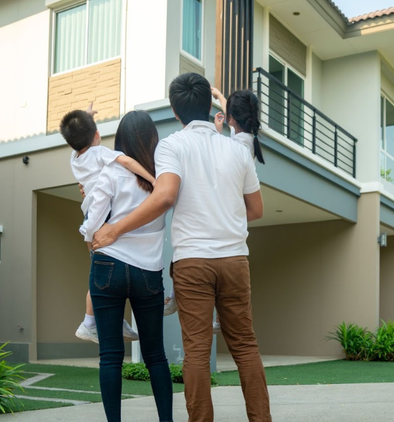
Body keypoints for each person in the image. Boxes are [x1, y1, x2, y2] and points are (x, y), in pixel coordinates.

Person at [92, 72, 271, 422]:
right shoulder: (237, 150)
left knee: (197, 352)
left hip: (193, 265)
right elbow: (256, 210)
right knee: (246, 347)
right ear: (209, 106)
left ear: (175, 111)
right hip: (235, 260)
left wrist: (113, 230)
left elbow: (165, 195)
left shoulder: (172, 146)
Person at [80, 110, 173, 422]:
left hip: (108, 267)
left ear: (120, 141)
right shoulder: (163, 179)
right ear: (152, 141)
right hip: (149, 273)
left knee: (110, 356)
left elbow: (94, 225)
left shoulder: (109, 173)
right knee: (156, 355)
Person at [162, 87, 265, 323]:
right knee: (244, 340)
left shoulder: (236, 145)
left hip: (197, 255)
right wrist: (219, 100)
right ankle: (218, 314)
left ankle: (177, 295)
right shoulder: (243, 141)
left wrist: (218, 98)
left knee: (197, 342)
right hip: (234, 256)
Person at [61, 103, 156, 344]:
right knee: (102, 271)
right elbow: (128, 162)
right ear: (97, 135)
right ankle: (88, 322)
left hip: (90, 215)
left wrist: (88, 116)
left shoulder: (75, 158)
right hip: (101, 216)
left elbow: (82, 136)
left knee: (96, 273)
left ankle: (91, 321)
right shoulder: (100, 153)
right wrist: (153, 179)